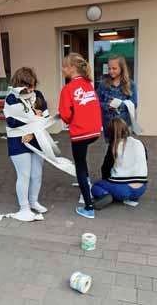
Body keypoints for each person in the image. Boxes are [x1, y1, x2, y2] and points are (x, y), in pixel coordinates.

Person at [59, 53, 102, 219]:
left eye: (64, 66)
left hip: (80, 133)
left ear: (72, 69)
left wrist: (71, 119)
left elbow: (65, 115)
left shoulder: (68, 89)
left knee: (80, 167)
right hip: (94, 131)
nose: (62, 69)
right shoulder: (88, 84)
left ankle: (89, 207)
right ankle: (86, 182)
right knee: (82, 162)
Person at [3, 67, 49, 221]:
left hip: (36, 139)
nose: (32, 89)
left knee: (37, 174)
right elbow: (12, 121)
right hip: (18, 140)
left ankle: (33, 201)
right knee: (24, 175)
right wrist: (34, 117)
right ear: (19, 84)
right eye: (29, 86)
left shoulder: (39, 95)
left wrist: (32, 129)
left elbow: (46, 118)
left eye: (34, 85)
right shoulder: (11, 98)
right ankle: (24, 207)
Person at [91, 117, 148, 207]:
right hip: (141, 188)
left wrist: (107, 181)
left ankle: (106, 194)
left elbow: (105, 168)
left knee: (96, 186)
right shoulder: (139, 143)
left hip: (122, 190)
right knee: (123, 188)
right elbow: (145, 160)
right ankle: (128, 196)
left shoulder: (114, 146)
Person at [96, 55, 138, 139]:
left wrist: (119, 104)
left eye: (114, 68)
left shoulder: (130, 84)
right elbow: (96, 102)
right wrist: (107, 106)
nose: (111, 71)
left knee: (124, 149)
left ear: (122, 68)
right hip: (109, 125)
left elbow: (134, 103)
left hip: (124, 125)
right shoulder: (103, 84)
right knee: (111, 148)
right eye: (109, 68)